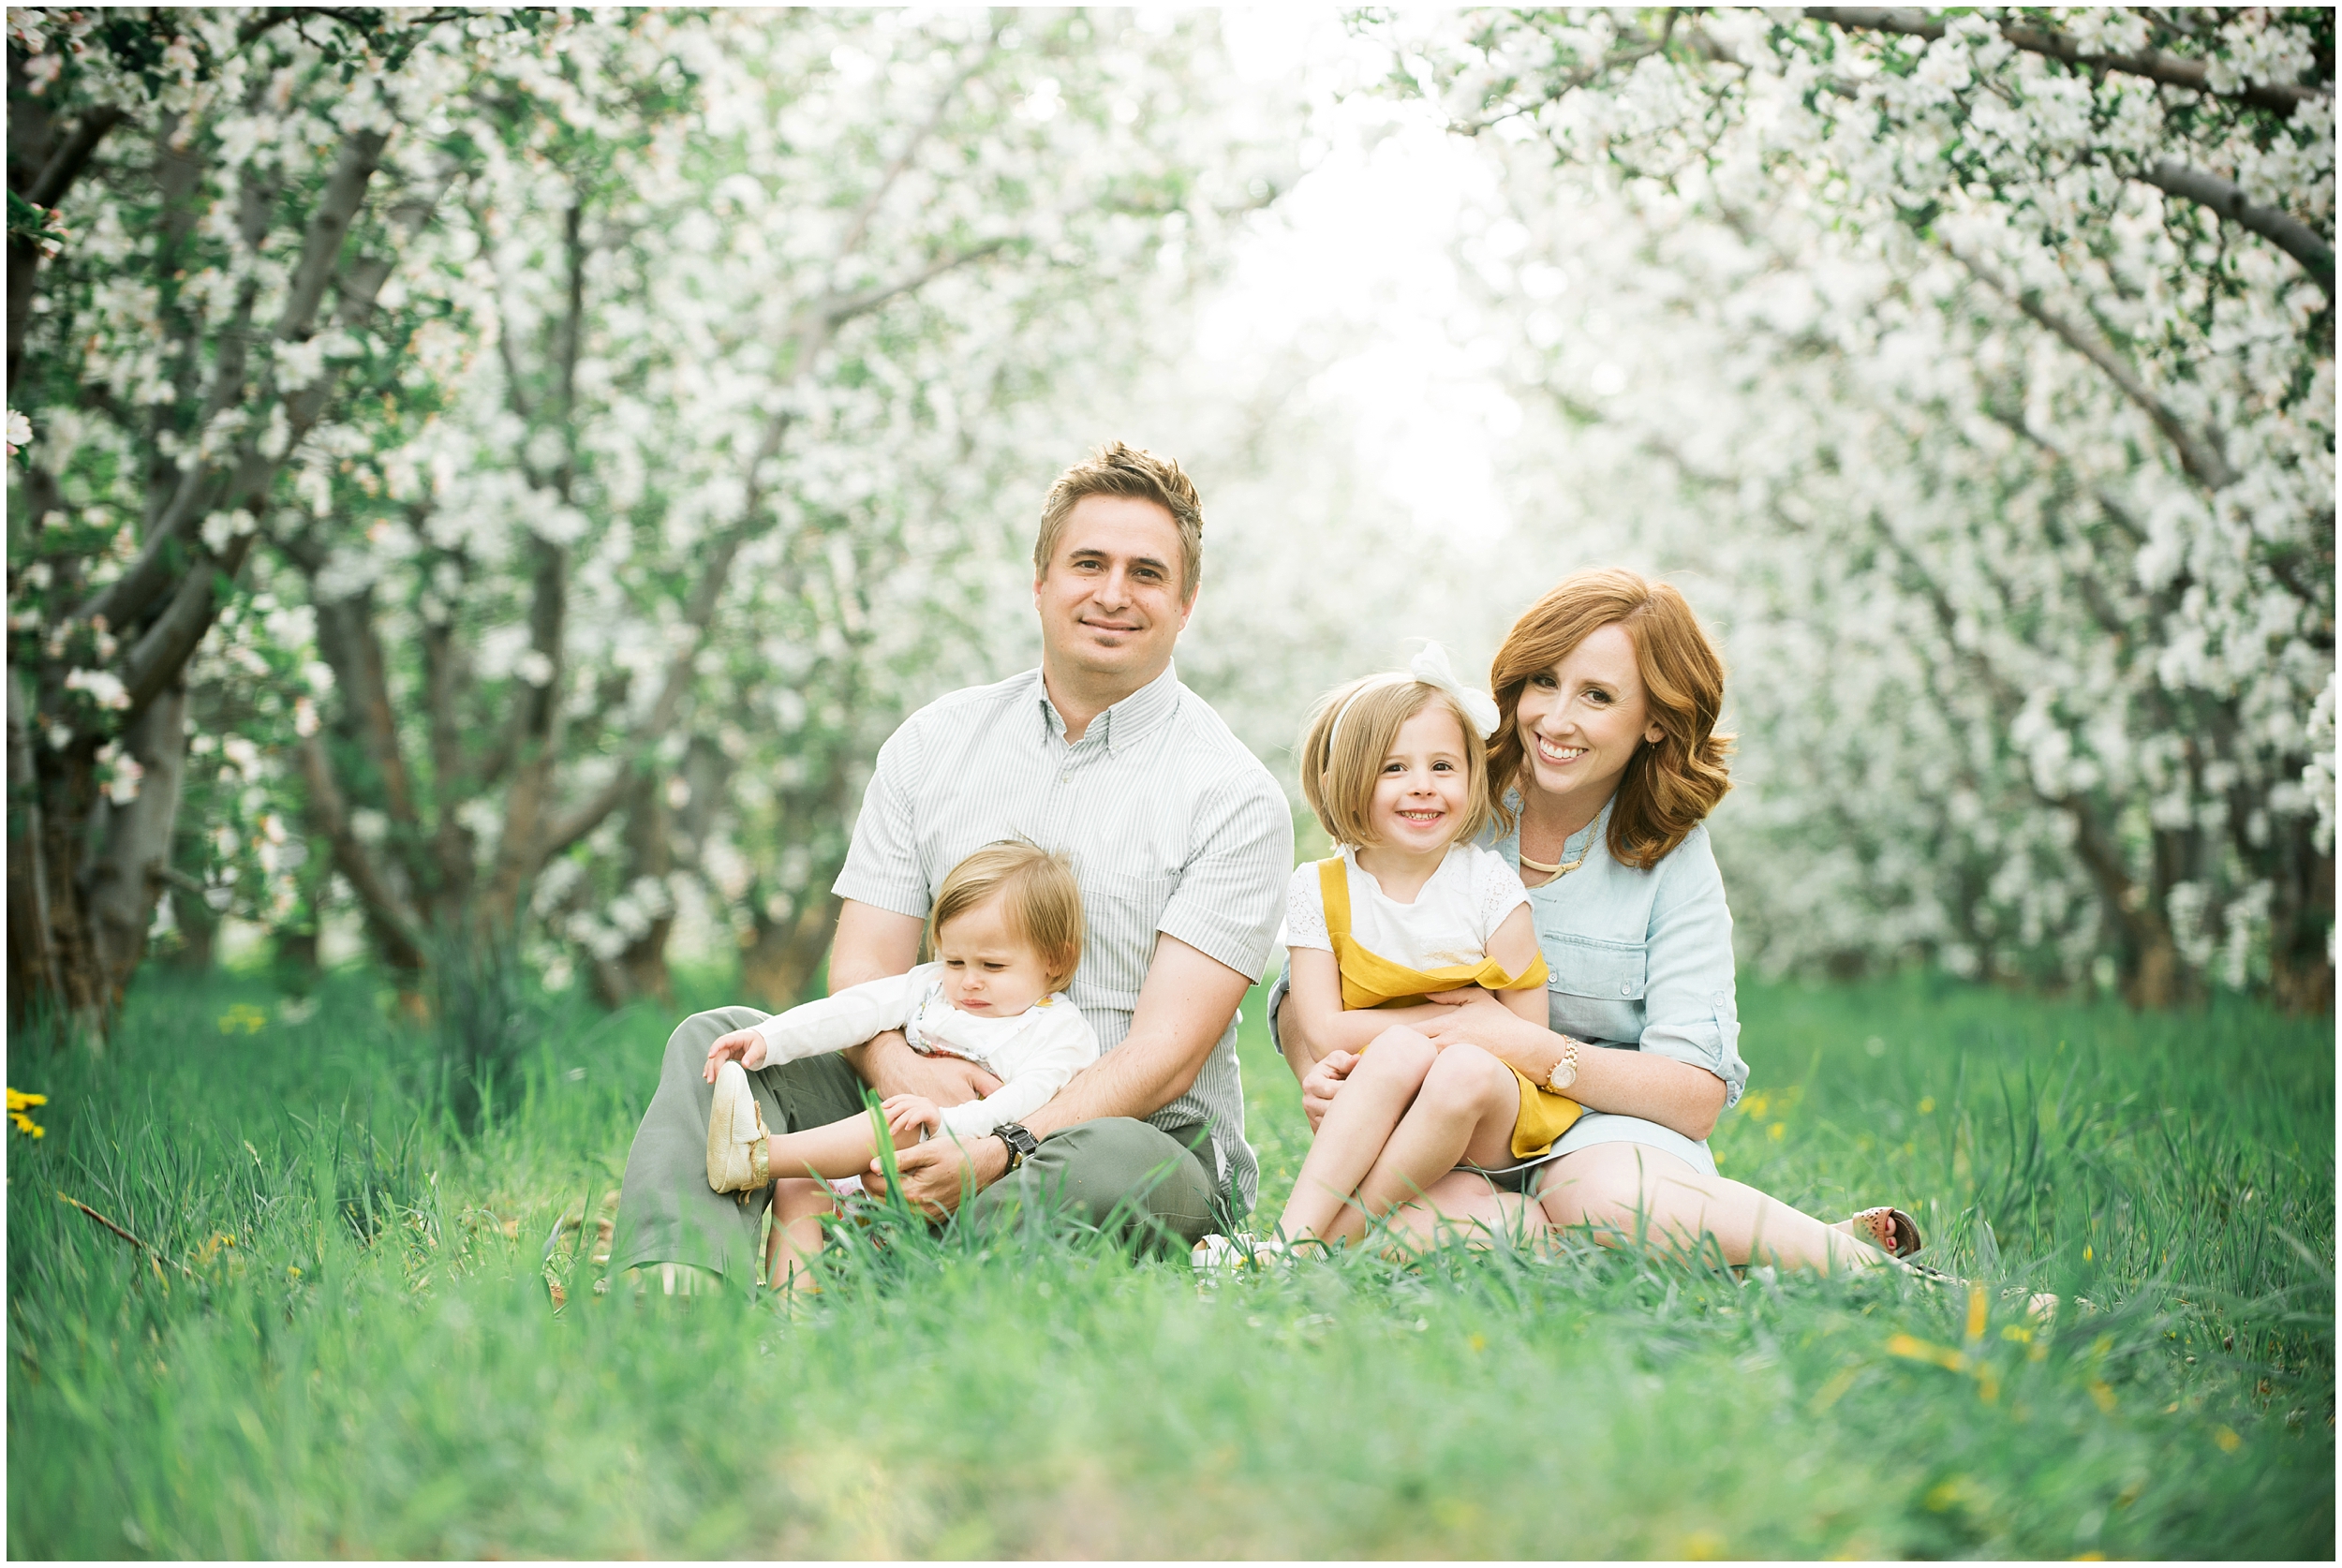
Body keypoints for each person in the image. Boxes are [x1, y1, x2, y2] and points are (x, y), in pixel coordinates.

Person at [609, 442, 1292, 1287]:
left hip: (1132, 1140)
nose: (1113, 593)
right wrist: (910, 1076)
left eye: (1146, 573)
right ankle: (671, 1291)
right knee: (719, 1044)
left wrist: (1000, 1143)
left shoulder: (1233, 797)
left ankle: (866, 1267)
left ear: (1186, 603)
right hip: (913, 1107)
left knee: (1110, 1161)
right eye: (1088, 563)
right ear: (1040, 581)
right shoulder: (935, 744)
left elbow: (1167, 1056)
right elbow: (865, 965)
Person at [1275, 569, 1923, 1271]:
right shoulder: (1440, 791)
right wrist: (1326, 1075)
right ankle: (1750, 1253)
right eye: (1543, 682)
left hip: (1607, 1136)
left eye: (1597, 696)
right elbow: (1313, 977)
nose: (1555, 720)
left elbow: (1696, 1096)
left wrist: (1533, 1051)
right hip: (1447, 1132)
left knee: (1602, 1202)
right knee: (1442, 1236)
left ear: (1653, 719)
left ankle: (1890, 1280)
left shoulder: (1672, 859)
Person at [1230, 645, 1576, 1258]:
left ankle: (1296, 1245)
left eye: (1443, 766)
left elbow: (1526, 1034)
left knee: (1461, 1065)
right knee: (1397, 1053)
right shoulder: (1319, 888)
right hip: (1381, 1109)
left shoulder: (1491, 887)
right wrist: (1460, 1021)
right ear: (1349, 783)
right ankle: (1307, 1244)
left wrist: (1447, 1038)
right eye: (1395, 768)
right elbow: (1326, 1028)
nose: (1423, 787)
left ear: (1472, 777)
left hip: (1485, 1119)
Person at [701, 841, 1098, 1290]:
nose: (968, 980)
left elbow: (1023, 1101)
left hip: (962, 1170)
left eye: (992, 965)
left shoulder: (1059, 1031)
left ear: (1055, 959)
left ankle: (758, 1157)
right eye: (954, 960)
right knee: (802, 1185)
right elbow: (854, 1010)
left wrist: (946, 1119)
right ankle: (789, 1314)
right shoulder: (930, 988)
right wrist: (769, 1038)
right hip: (875, 1156)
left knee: (902, 1120)